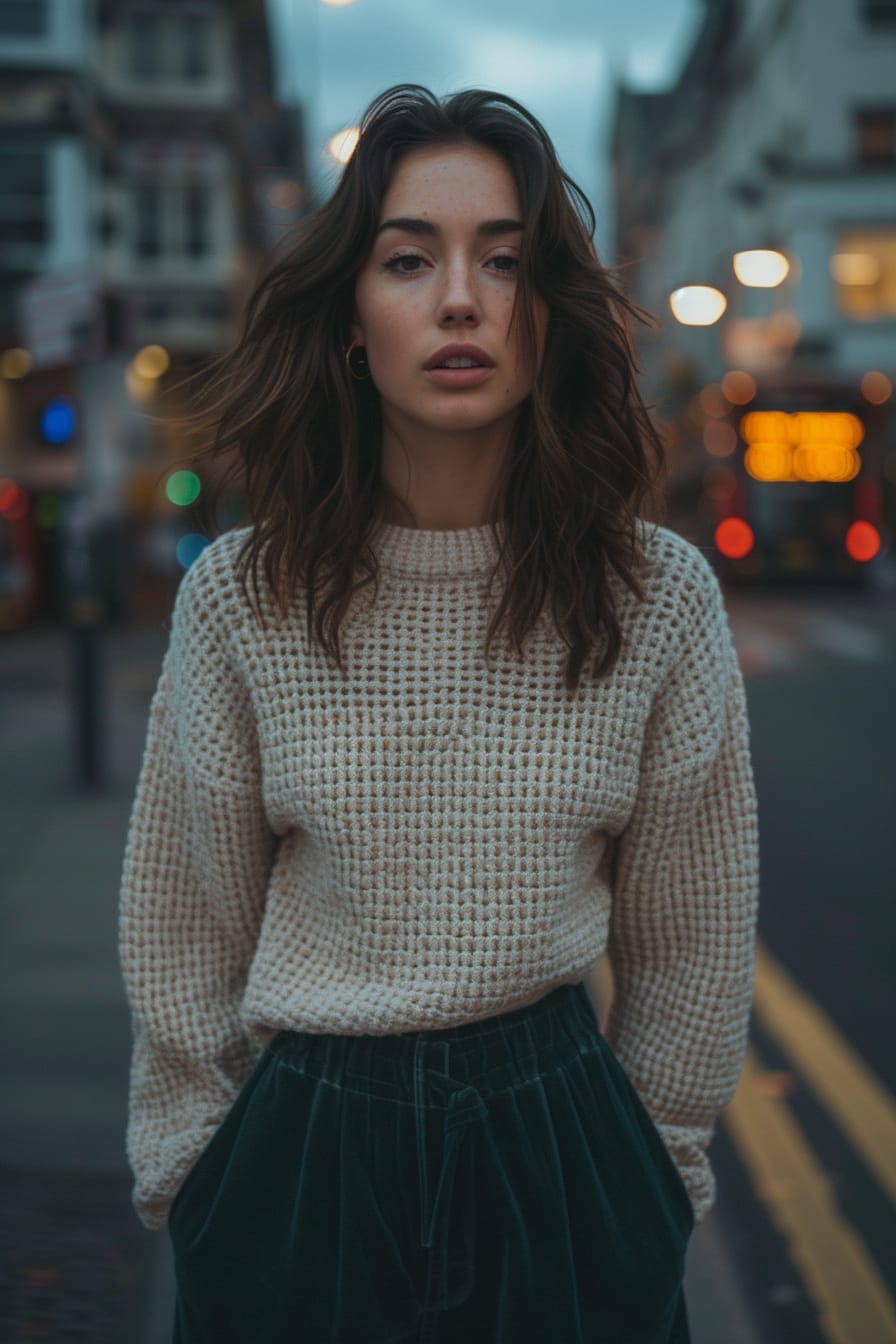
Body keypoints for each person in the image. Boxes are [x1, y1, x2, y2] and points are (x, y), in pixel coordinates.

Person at [118, 84, 760, 1344]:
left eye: (504, 261)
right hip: (301, 1153)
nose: (459, 299)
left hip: (560, 1139)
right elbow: (184, 919)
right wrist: (198, 1173)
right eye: (408, 259)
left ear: (547, 316)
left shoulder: (657, 597)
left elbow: (690, 934)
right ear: (352, 320)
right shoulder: (243, 598)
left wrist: (655, 1178)